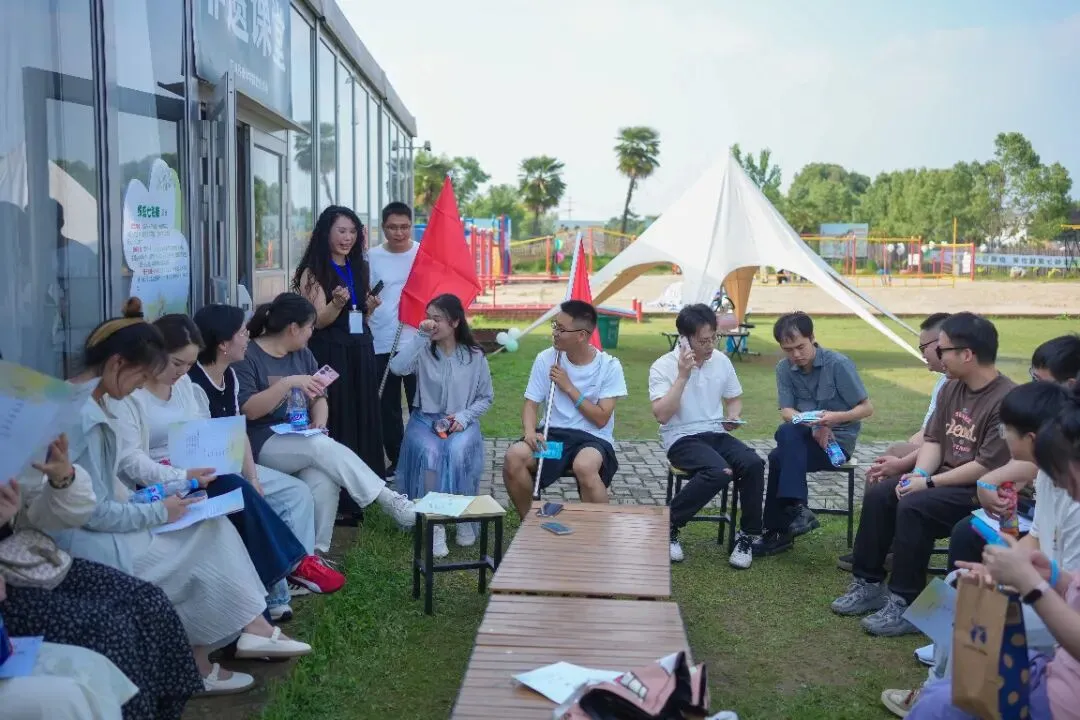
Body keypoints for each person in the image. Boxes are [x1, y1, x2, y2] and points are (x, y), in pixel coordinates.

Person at [46, 299, 312, 695]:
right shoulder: (87, 415)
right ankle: (212, 651)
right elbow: (95, 508)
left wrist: (161, 503)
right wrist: (159, 510)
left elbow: (95, 497)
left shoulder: (94, 403)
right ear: (118, 364)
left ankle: (234, 636)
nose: (142, 386)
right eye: (143, 376)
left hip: (126, 513)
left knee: (215, 525)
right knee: (203, 544)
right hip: (100, 540)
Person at [109, 313, 343, 622]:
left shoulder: (185, 386)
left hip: (193, 476)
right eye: (177, 364)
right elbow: (131, 462)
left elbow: (203, 431)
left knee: (239, 492)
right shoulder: (130, 396)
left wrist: (208, 467)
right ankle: (290, 573)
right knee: (236, 493)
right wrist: (183, 475)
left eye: (189, 365)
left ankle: (271, 602)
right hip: (155, 485)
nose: (183, 372)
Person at [881, 380, 1080, 717]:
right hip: (1054, 627)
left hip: (1055, 634)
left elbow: (1066, 596)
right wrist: (1017, 569)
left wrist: (1029, 582)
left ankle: (948, 687)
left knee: (977, 611)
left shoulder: (1069, 493)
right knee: (963, 587)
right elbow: (1042, 543)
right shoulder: (1054, 477)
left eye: (1006, 430)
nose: (1003, 438)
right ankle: (943, 679)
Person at [832, 312, 1015, 637]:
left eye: (942, 350)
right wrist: (915, 475)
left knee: (915, 505)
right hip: (942, 479)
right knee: (882, 493)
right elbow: (934, 441)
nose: (937, 356)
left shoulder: (1005, 400)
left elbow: (985, 466)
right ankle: (868, 583)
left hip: (980, 489)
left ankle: (906, 601)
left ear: (967, 354)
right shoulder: (950, 388)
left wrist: (927, 483)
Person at [0, 436, 203, 718]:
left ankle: (163, 713)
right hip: (11, 589)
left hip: (29, 562)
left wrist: (62, 480)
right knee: (107, 630)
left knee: (148, 601)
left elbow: (46, 515)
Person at [234, 292, 415, 553]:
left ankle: (314, 555)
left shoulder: (303, 354)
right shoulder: (249, 356)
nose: (312, 333)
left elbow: (319, 397)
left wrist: (319, 422)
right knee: (318, 446)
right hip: (261, 442)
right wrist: (288, 383)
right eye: (309, 327)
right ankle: (387, 499)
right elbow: (249, 411)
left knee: (323, 480)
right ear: (293, 328)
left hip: (301, 438)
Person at [189, 304, 324, 584]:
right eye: (242, 332)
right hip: (205, 474)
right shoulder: (192, 384)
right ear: (223, 344)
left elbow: (238, 431)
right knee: (318, 454)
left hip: (234, 464)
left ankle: (301, 569)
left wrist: (252, 478)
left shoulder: (230, 376)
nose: (248, 337)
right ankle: (281, 582)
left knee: (298, 491)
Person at [648, 304, 765, 567]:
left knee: (753, 463)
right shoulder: (662, 366)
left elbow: (734, 398)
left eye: (714, 337)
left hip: (715, 432)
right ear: (685, 339)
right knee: (719, 471)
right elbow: (662, 415)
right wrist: (682, 376)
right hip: (680, 437)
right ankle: (667, 525)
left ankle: (747, 536)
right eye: (703, 340)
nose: (710, 345)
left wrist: (733, 415)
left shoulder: (721, 361)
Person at [838, 312, 951, 572]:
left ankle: (882, 548)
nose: (923, 355)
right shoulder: (946, 383)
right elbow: (929, 434)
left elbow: (945, 444)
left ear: (943, 344)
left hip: (951, 467)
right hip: (936, 455)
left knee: (889, 470)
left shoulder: (967, 387)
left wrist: (907, 463)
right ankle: (878, 547)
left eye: (924, 348)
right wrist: (907, 457)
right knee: (888, 460)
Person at [754, 312, 874, 556]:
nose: (796, 355)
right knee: (787, 433)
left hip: (836, 444)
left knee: (779, 455)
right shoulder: (784, 369)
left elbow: (866, 408)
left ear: (812, 338)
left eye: (800, 347)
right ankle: (797, 510)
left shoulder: (838, 364)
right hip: (803, 438)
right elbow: (787, 411)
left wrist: (833, 419)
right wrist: (815, 425)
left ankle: (779, 530)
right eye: (788, 350)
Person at [502, 300, 628, 519]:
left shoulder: (609, 366)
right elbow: (531, 403)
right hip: (554, 440)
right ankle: (530, 522)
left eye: (561, 329)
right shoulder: (546, 358)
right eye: (554, 326)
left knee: (585, 466)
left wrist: (569, 387)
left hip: (591, 439)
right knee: (515, 456)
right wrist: (530, 432)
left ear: (581, 335)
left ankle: (600, 529)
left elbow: (601, 419)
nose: (555, 333)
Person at [390, 294, 494, 557]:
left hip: (461, 422)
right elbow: (397, 368)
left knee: (457, 452)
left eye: (437, 319)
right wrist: (420, 337)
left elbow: (486, 397)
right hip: (425, 420)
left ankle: (462, 516)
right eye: (428, 317)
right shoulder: (423, 349)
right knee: (430, 454)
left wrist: (464, 417)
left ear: (455, 322)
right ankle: (435, 522)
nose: (431, 323)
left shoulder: (474, 356)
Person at [293, 205, 385, 499]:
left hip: (360, 347)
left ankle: (368, 488)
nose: (348, 238)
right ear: (326, 233)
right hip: (331, 351)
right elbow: (318, 321)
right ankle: (341, 494)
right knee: (339, 412)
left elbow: (359, 316)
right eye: (341, 231)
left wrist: (369, 308)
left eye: (353, 232)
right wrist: (335, 304)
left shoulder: (359, 266)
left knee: (363, 410)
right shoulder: (313, 272)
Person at [369, 202, 420, 478]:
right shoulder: (371, 257)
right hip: (382, 339)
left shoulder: (423, 254)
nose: (399, 233)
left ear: (411, 226)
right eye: (392, 227)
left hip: (418, 340)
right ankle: (397, 459)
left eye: (404, 227)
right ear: (383, 228)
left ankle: (420, 457)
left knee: (419, 404)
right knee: (387, 407)